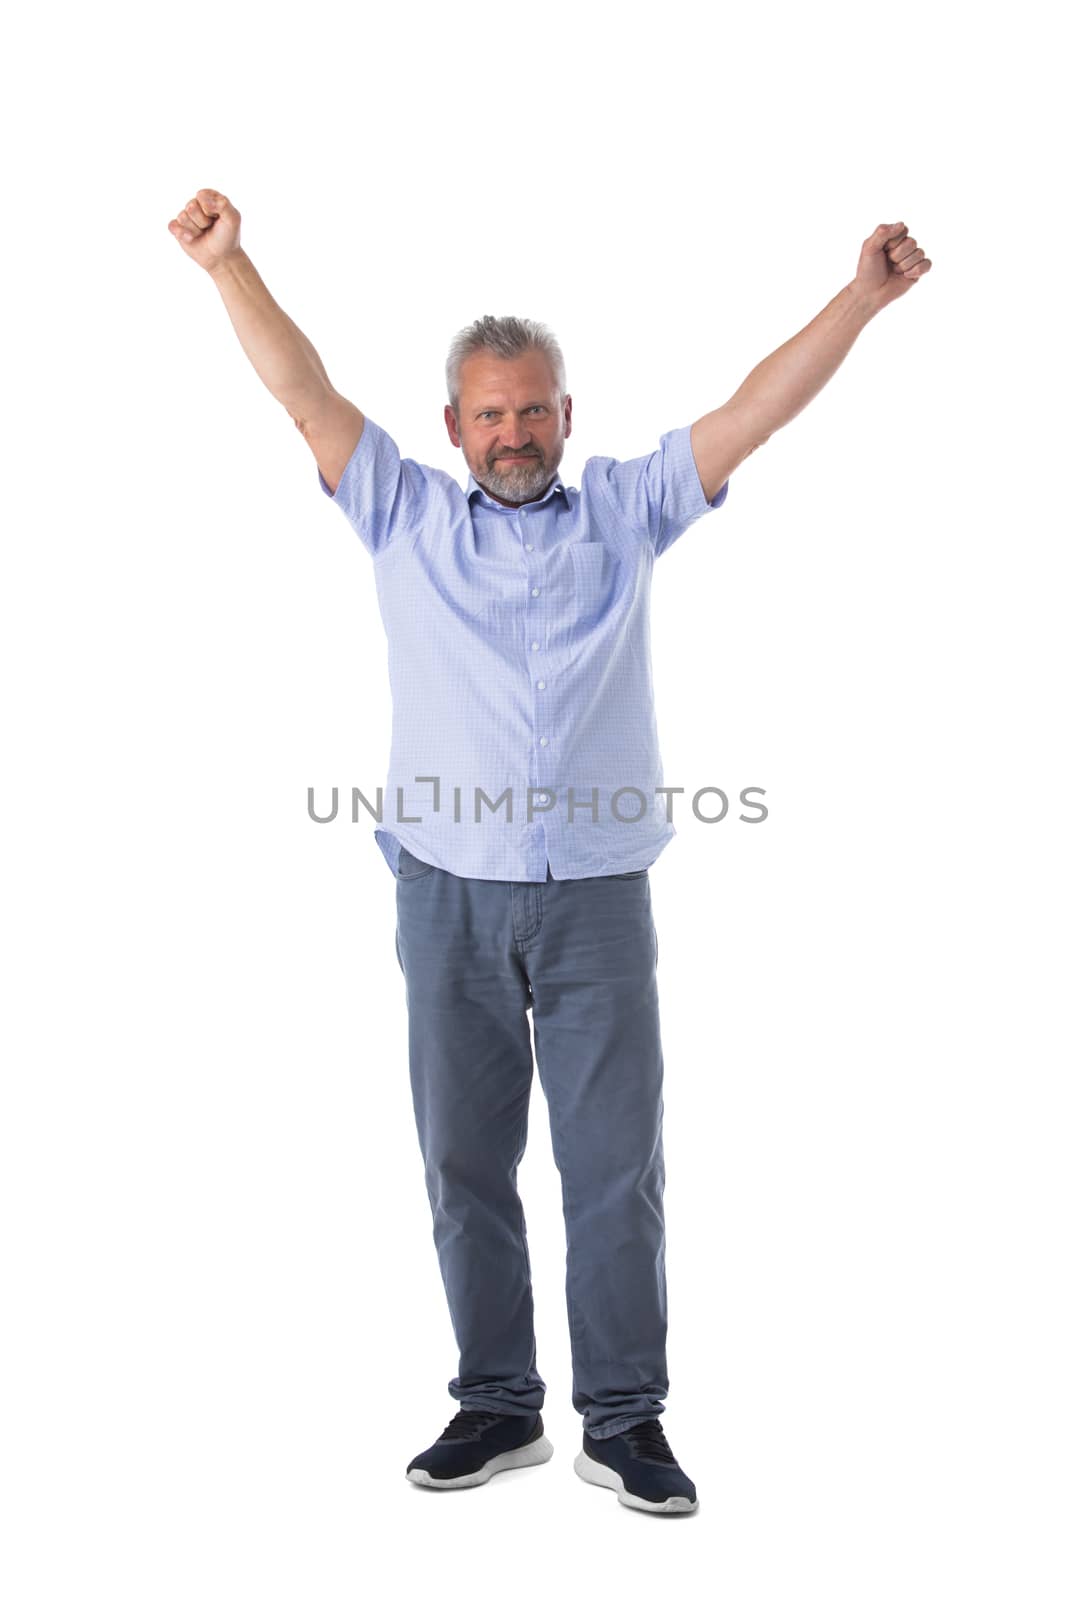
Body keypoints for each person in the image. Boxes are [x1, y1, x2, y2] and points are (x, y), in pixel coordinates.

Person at [169, 190, 931, 1516]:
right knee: (463, 1163)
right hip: (445, 903)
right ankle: (497, 1406)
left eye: (533, 411)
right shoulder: (401, 511)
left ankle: (625, 1421)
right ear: (455, 424)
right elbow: (302, 390)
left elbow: (758, 406)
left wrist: (860, 300)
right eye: (489, 414)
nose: (512, 434)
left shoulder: (626, 515)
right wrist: (233, 267)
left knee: (613, 1171)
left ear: (564, 418)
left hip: (594, 905)